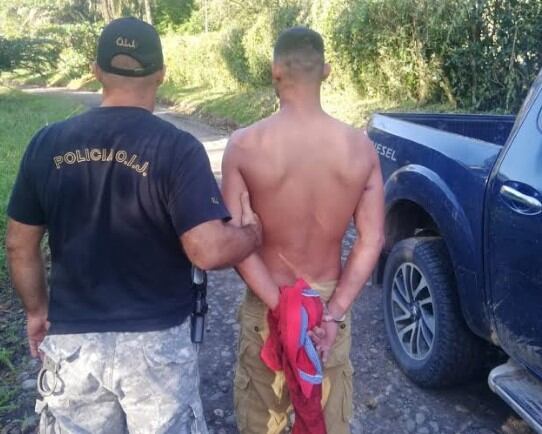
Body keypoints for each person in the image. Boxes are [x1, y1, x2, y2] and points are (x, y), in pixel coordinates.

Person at [5, 17, 261, 434]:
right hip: (156, 346)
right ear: (161, 74)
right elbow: (208, 250)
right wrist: (252, 234)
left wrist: (37, 311)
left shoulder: (45, 144)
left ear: (96, 71)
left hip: (75, 343)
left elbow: (19, 245)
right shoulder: (178, 148)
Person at [222, 27, 385, 434]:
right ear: (326, 71)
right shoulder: (359, 148)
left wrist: (279, 305)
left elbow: (235, 242)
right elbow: (372, 240)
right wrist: (333, 312)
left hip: (268, 300)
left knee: (263, 418)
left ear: (275, 71)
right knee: (325, 418)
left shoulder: (244, 145)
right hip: (326, 309)